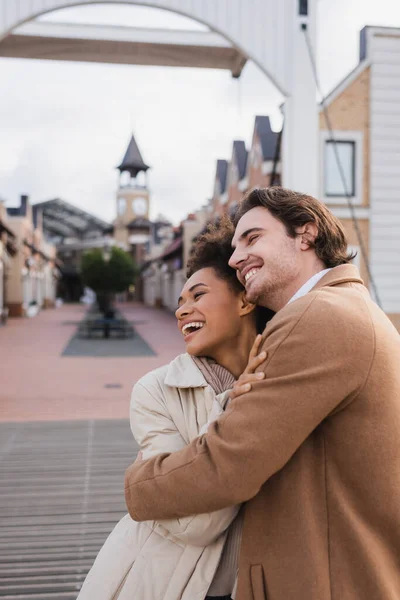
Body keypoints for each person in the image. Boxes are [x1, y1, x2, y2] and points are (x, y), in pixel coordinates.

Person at [125, 186, 400, 600]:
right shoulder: (351, 307)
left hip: (323, 580)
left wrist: (137, 485)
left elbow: (228, 465)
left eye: (252, 238)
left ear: (305, 234)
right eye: (234, 246)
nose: (236, 258)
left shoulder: (316, 315)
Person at [77, 219, 273, 600]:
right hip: (160, 584)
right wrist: (235, 406)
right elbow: (192, 525)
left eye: (197, 296)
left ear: (245, 300)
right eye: (181, 301)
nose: (183, 310)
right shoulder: (155, 391)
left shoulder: (286, 381)